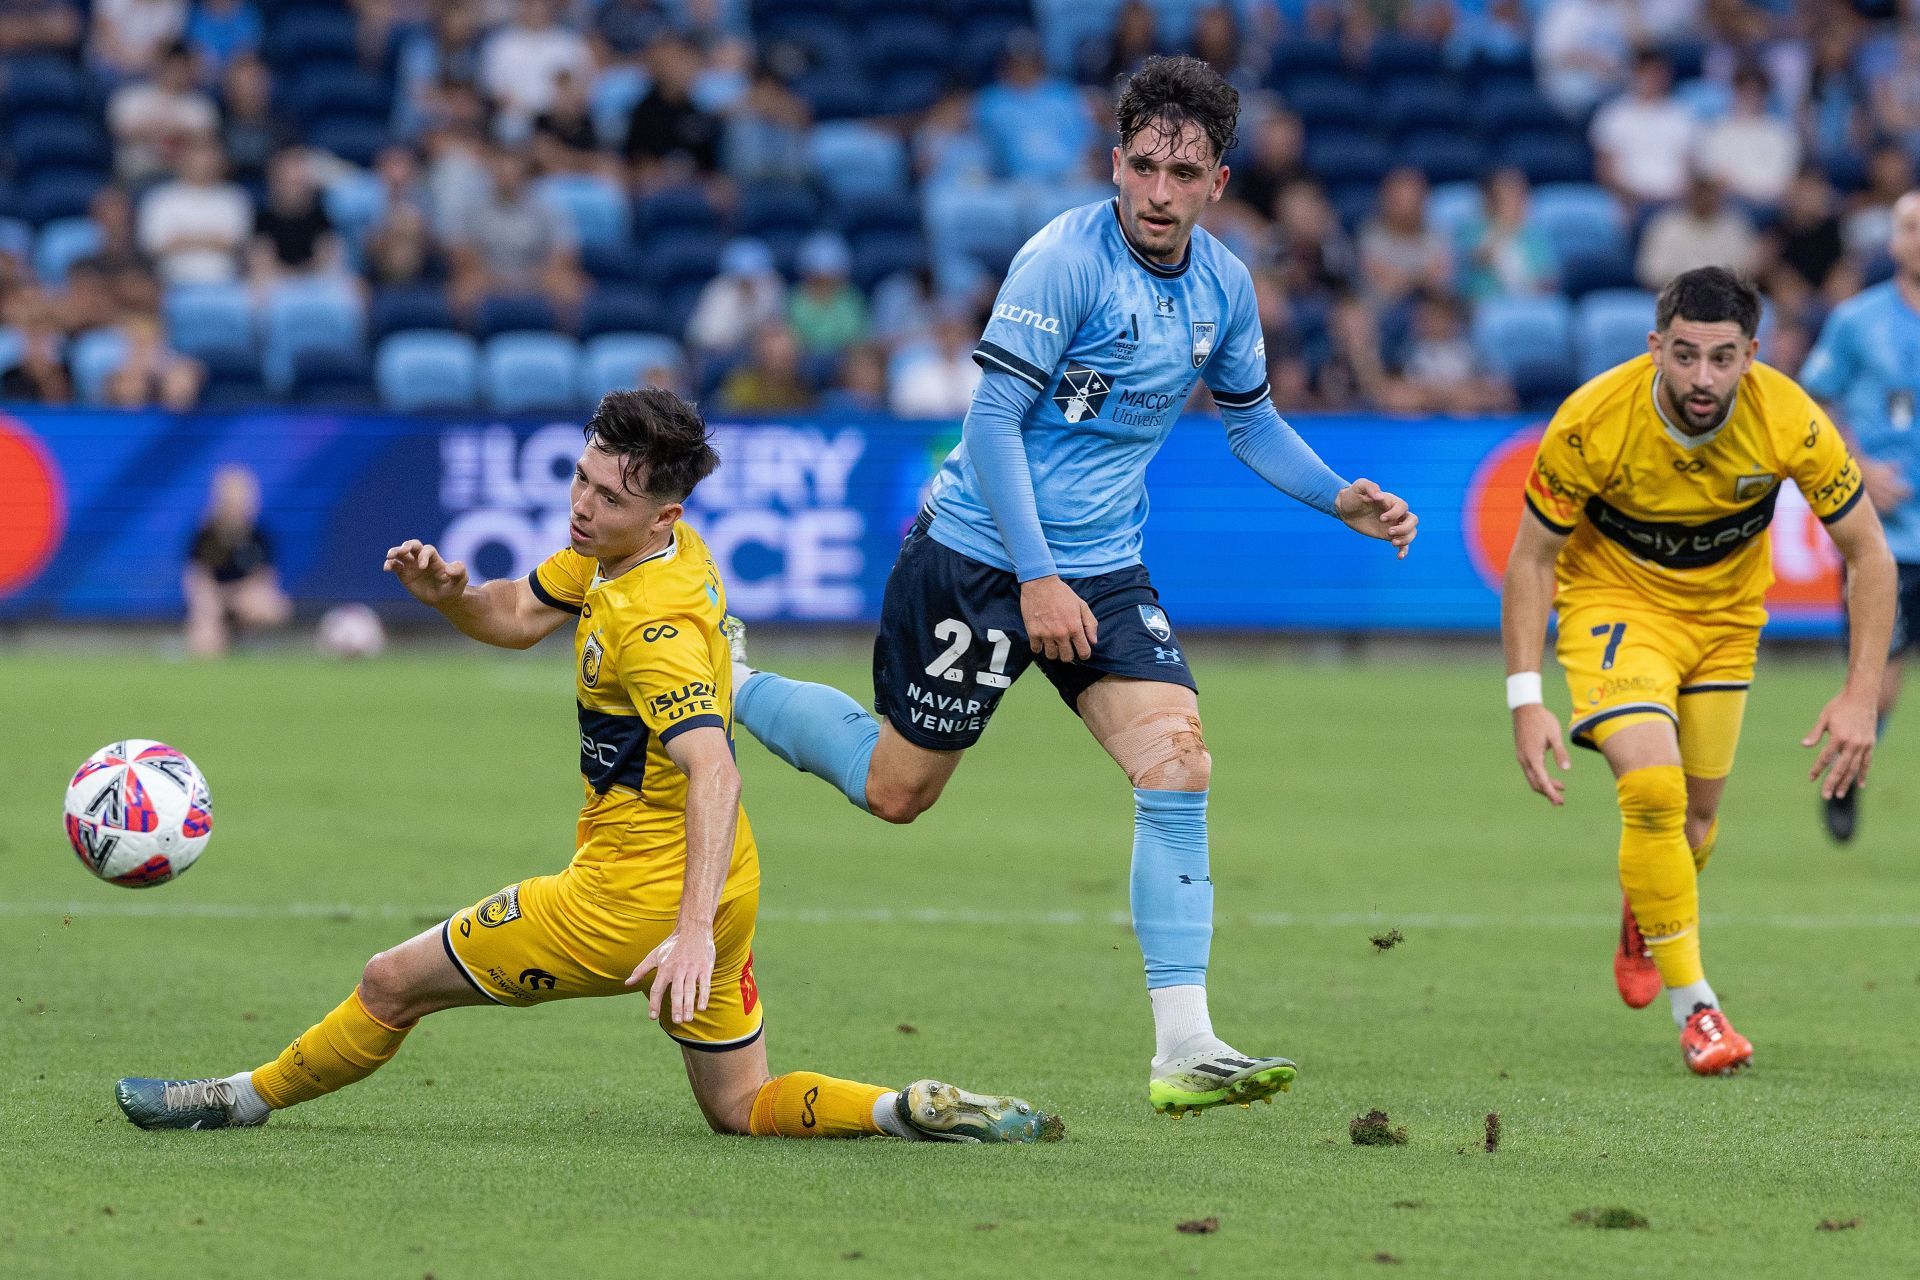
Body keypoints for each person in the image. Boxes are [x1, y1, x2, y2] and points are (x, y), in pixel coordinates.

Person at [728, 57, 1417, 1117]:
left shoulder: (1225, 286)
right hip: (978, 555)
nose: (1157, 191)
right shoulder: (1063, 260)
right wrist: (1037, 577)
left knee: (1177, 758)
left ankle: (1186, 1042)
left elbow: (1251, 421)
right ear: (1114, 161)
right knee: (897, 789)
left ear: (1218, 182)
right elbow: (992, 424)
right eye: (1141, 166)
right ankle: (728, 679)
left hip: (1101, 563)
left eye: (1182, 174)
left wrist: (1339, 499)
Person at [117, 391, 1062, 1146]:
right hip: (726, 883)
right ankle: (908, 1107)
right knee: (741, 1105)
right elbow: (515, 616)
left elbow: (716, 772)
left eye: (608, 498)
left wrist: (686, 935)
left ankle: (232, 1099)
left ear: (662, 515)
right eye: (581, 479)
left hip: (627, 907)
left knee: (389, 982)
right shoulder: (633, 553)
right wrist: (451, 596)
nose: (581, 504)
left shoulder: (651, 628)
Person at [1502, 267, 1895, 1076]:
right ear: (1655, 348)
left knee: (1694, 824)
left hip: (1723, 625)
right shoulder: (1591, 421)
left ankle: (1647, 911)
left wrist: (1861, 697)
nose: (1703, 378)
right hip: (1614, 608)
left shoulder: (1790, 417)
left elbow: (1870, 555)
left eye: (1722, 358)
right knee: (1653, 790)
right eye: (1685, 357)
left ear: (1752, 354)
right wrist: (1526, 698)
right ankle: (1700, 1013)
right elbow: (1533, 559)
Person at [1798, 191, 1920, 843]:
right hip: (1890, 540)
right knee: (1883, 684)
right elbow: (1813, 402)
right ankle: (1844, 779)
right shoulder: (1857, 321)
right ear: (1893, 241)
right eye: (1910, 228)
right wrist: (1859, 470)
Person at [182, 464, 290, 657]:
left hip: (243, 597)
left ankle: (248, 638)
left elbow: (266, 577)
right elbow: (196, 576)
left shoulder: (258, 535)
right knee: (205, 646)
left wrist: (240, 596)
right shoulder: (206, 534)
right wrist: (208, 603)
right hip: (214, 599)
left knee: (272, 607)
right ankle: (218, 636)